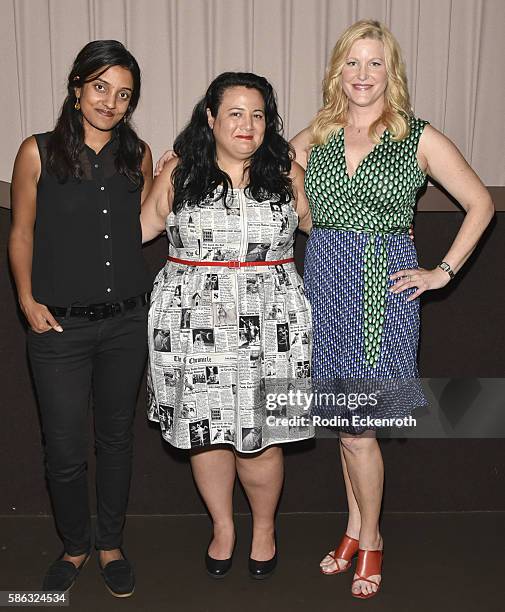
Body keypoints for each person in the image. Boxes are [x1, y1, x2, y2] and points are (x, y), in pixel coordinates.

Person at [290, 19, 494, 599]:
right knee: (342, 424)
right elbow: (264, 153)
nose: (362, 75)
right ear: (338, 71)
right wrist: (185, 157)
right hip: (325, 284)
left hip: (383, 293)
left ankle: (373, 539)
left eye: (374, 63)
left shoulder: (417, 136)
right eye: (352, 62)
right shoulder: (321, 132)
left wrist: (441, 273)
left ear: (392, 72)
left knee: (359, 430)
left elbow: (480, 204)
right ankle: (353, 528)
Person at [141, 72, 313, 579]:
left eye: (258, 114)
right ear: (211, 118)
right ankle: (223, 527)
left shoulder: (287, 173)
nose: (248, 124)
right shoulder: (178, 173)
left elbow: (326, 224)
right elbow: (135, 228)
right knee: (207, 433)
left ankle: (264, 528)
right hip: (193, 320)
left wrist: (389, 222)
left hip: (272, 322)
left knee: (263, 434)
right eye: (235, 113)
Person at [8, 40, 153, 597]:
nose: (109, 103)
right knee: (64, 450)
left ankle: (111, 543)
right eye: (100, 88)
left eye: (123, 95)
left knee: (116, 441)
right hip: (57, 330)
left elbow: (141, 227)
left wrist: (165, 175)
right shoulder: (37, 152)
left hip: (124, 326)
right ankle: (74, 546)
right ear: (76, 87)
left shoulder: (136, 155)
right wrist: (25, 298)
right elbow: (20, 233)